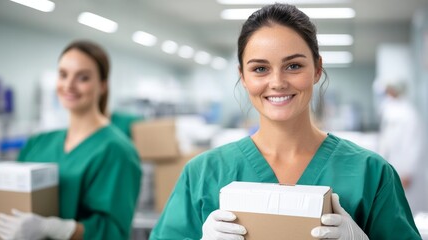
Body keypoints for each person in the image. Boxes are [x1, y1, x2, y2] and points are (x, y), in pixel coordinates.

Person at [149, 3, 421, 240]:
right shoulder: (203, 173)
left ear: (317, 69)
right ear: (243, 76)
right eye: (260, 69)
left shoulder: (371, 173)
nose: (277, 82)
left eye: (293, 66)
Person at [0, 40, 142, 240]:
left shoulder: (117, 151)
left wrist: (55, 229)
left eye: (82, 77)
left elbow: (114, 232)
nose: (68, 85)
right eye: (63, 75)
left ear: (102, 85)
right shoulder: (38, 143)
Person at [377, 78, 427, 214]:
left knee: (411, 210)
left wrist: (408, 172)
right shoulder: (391, 110)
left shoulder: (408, 114)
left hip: (406, 173)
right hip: (394, 167)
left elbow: (414, 145)